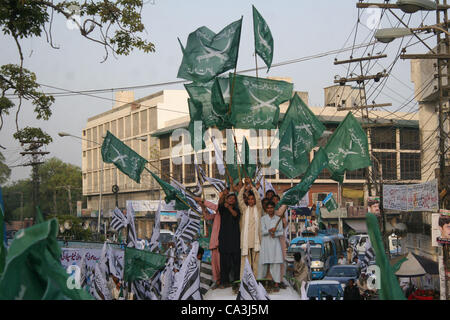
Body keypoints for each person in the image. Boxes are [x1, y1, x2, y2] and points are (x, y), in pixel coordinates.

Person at [238, 177, 263, 279]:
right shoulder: (244, 209)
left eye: (252, 199)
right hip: (246, 239)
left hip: (256, 239)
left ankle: (257, 279)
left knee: (256, 261)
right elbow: (239, 199)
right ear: (247, 201)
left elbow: (258, 198)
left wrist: (252, 187)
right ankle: (245, 279)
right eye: (249, 199)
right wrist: (244, 187)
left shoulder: (258, 209)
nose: (251, 200)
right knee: (245, 260)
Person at [258, 201, 284, 292]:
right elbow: (262, 231)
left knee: (275, 263)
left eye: (271, 208)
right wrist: (269, 231)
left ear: (274, 208)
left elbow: (281, 232)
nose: (270, 209)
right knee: (263, 263)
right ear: (266, 209)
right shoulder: (263, 219)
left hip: (275, 244)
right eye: (268, 208)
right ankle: (260, 282)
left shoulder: (278, 219)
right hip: (265, 244)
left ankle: (276, 283)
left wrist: (275, 233)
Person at [218, 192, 241, 288]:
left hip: (235, 239)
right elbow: (219, 205)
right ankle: (224, 281)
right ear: (226, 200)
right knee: (224, 262)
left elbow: (235, 215)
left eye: (233, 198)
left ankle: (236, 281)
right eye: (229, 198)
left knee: (236, 262)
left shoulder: (236, 209)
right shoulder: (222, 208)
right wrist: (222, 196)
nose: (231, 200)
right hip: (224, 239)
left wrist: (229, 207)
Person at [197, 196, 221, 289]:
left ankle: (221, 280)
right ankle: (217, 280)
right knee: (214, 264)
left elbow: (216, 208)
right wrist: (203, 207)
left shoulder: (222, 212)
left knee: (220, 264)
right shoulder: (215, 216)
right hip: (213, 243)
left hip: (221, 243)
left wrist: (203, 201)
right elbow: (207, 217)